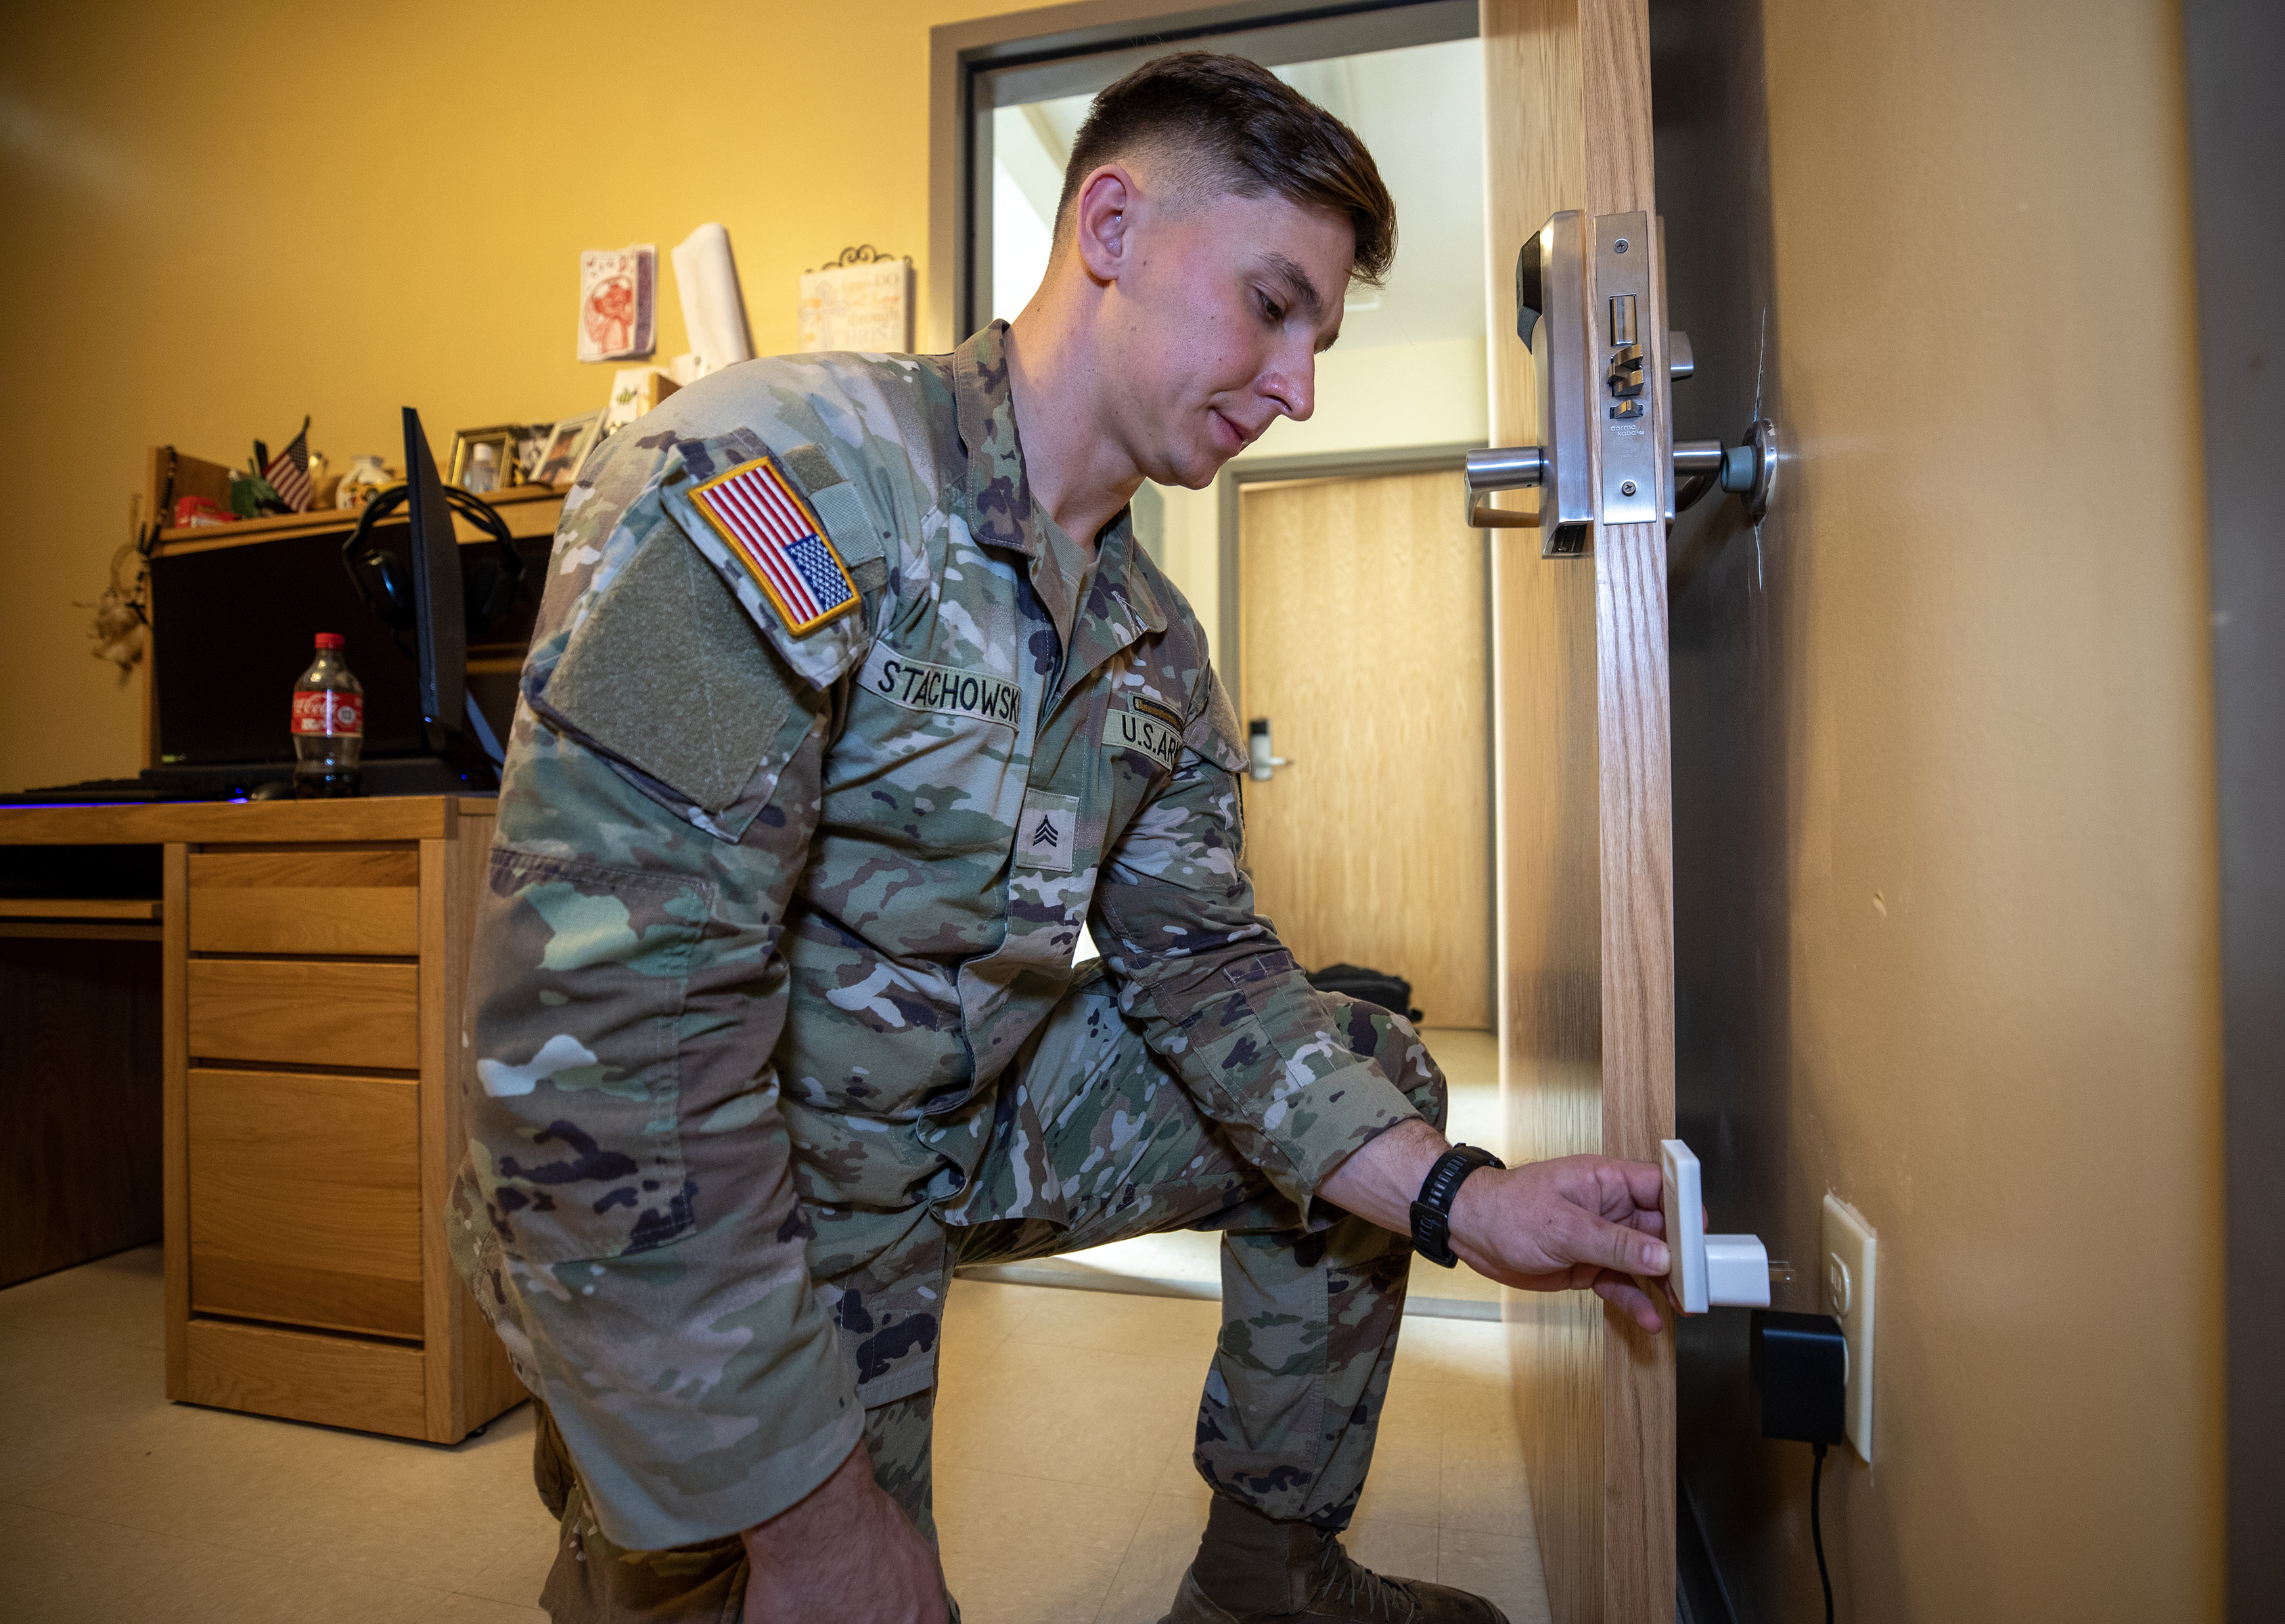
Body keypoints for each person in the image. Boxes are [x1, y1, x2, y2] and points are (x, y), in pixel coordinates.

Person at [450, 50, 1677, 1624]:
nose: (1301, 383)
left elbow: (1215, 979)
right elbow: (603, 1030)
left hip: (954, 1110)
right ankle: (648, 1535)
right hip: (733, 1153)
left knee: (1374, 1063)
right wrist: (814, 1526)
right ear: (1110, 225)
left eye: (1321, 336)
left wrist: (1464, 1200)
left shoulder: (1154, 641)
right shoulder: (776, 475)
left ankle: (1266, 1579)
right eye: (1274, 303)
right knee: (806, 1576)